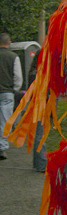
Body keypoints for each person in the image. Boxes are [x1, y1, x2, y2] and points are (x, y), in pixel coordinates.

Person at [0, 32, 23, 160]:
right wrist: (15, 89)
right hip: (7, 92)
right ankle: (2, 147)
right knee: (4, 120)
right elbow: (18, 77)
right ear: (9, 43)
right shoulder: (13, 57)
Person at [28, 50, 47, 172]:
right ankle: (41, 164)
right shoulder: (43, 74)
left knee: (39, 132)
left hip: (38, 104)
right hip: (43, 104)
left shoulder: (33, 72)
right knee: (41, 133)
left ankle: (38, 162)